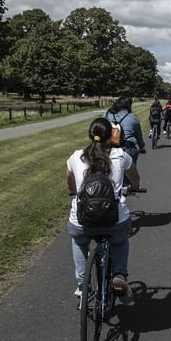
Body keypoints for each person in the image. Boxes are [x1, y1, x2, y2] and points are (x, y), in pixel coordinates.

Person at [66, 118, 140, 301]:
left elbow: (70, 181)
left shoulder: (76, 156)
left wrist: (76, 192)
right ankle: (119, 275)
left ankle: (83, 287)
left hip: (82, 219)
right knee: (120, 240)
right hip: (113, 219)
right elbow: (135, 178)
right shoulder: (121, 155)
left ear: (90, 135)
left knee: (80, 242)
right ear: (111, 137)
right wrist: (134, 187)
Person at [105, 96, 147, 164]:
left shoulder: (107, 114)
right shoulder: (132, 117)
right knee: (131, 171)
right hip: (127, 148)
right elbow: (138, 135)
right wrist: (141, 147)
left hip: (110, 148)